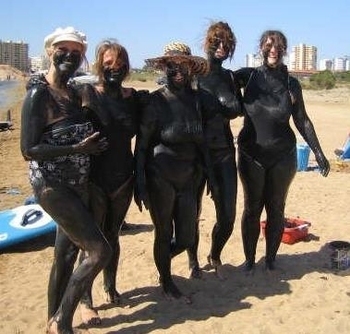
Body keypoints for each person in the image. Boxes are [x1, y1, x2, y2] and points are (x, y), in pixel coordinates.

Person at [20, 27, 111, 334]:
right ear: (50, 51)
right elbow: (29, 150)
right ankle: (62, 320)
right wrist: (78, 148)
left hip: (79, 183)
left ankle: (50, 320)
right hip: (52, 186)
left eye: (76, 53)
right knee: (99, 251)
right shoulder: (38, 93)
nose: (69, 57)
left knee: (66, 253)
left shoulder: (73, 92)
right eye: (63, 50)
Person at [135, 42, 231, 302]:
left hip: (190, 177)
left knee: (187, 236)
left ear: (191, 69)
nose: (177, 71)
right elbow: (142, 146)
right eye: (171, 65)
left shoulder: (198, 101)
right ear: (164, 68)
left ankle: (162, 263)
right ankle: (166, 281)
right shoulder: (156, 102)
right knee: (164, 232)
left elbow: (203, 144)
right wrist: (140, 182)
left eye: (183, 65)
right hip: (161, 177)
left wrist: (210, 175)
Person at [234, 30, 330, 272]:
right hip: (250, 154)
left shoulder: (291, 84)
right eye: (268, 45)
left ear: (284, 49)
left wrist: (318, 152)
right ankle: (250, 259)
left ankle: (270, 259)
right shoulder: (248, 77)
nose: (273, 50)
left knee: (276, 208)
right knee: (252, 207)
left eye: (278, 46)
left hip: (283, 156)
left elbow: (302, 120)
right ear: (261, 48)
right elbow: (216, 83)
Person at [77, 39, 148, 324]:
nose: (114, 69)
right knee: (92, 243)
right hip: (94, 179)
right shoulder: (86, 94)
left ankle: (111, 287)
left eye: (119, 65)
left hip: (123, 178)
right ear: (99, 65)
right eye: (108, 64)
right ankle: (85, 299)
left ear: (126, 67)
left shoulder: (133, 99)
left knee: (113, 237)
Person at [186, 21, 243, 279]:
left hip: (224, 152)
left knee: (228, 215)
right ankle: (193, 262)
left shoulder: (230, 78)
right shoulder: (193, 74)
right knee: (192, 213)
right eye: (216, 42)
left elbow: (240, 108)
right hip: (196, 155)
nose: (221, 47)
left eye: (226, 44)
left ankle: (215, 254)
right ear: (207, 42)